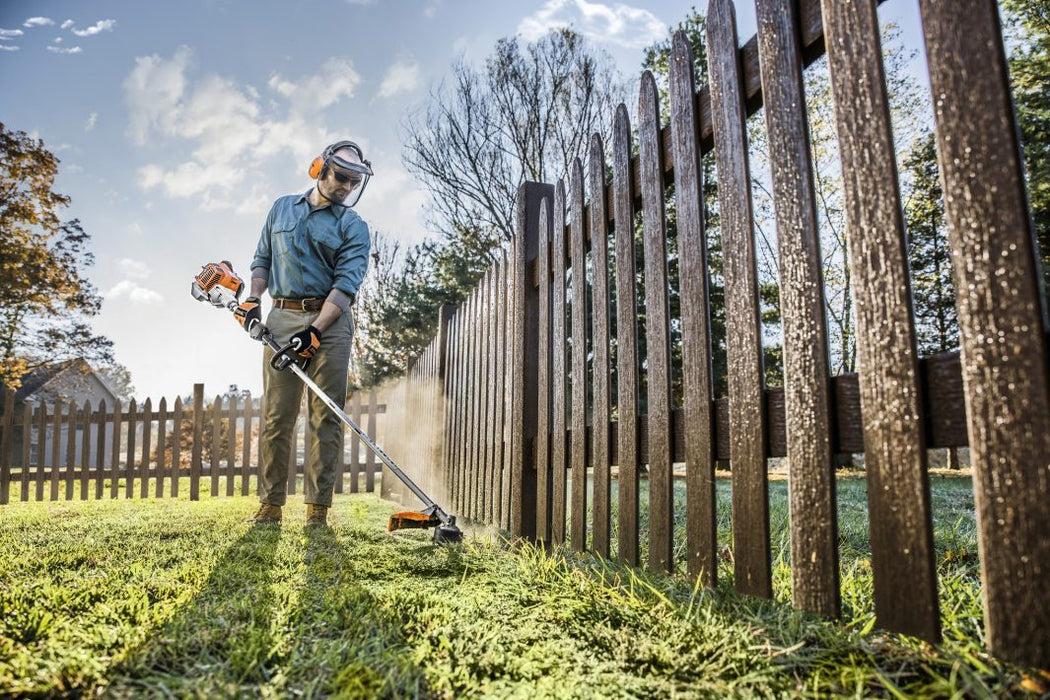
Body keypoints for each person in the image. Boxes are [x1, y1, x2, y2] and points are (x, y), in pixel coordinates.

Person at [234, 140, 373, 526]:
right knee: (278, 415)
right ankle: (271, 503)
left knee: (325, 414)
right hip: (280, 317)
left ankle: (317, 509)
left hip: (330, 324)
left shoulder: (353, 226)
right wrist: (253, 299)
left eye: (354, 182)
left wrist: (314, 331)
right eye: (342, 177)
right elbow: (262, 260)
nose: (346, 187)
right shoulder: (281, 208)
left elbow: (346, 285)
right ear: (320, 169)